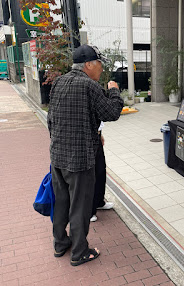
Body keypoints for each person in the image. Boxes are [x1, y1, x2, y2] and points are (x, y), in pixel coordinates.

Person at [47, 44, 123, 266]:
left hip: (57, 156)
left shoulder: (59, 82)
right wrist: (114, 90)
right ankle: (79, 251)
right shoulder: (89, 86)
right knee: (80, 206)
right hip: (79, 159)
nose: (101, 69)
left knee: (61, 202)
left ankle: (61, 243)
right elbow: (111, 112)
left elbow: (52, 119)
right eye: (99, 64)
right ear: (89, 64)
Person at [90, 122, 114, 223]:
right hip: (87, 137)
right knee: (91, 176)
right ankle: (89, 211)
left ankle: (99, 202)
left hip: (96, 134)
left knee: (100, 171)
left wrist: (100, 133)